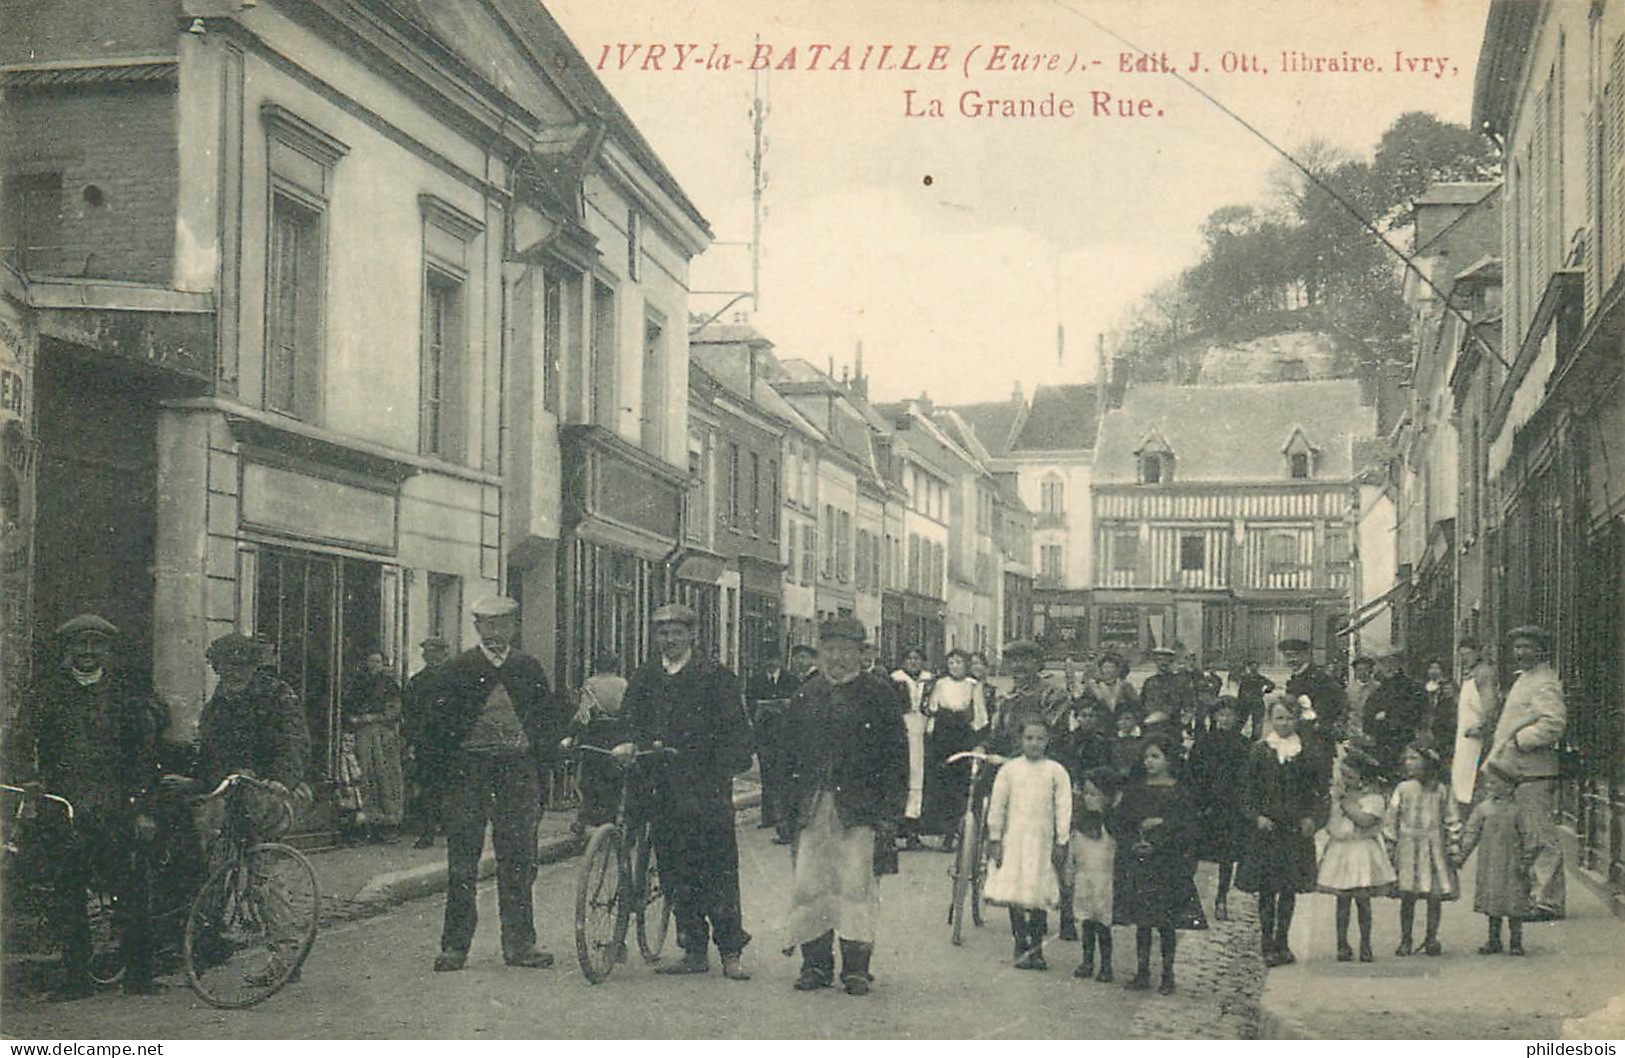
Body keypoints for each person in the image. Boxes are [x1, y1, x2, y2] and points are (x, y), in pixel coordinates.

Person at [4, 614, 164, 999]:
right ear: (66, 651)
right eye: (79, 645)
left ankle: (139, 975)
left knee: (130, 889)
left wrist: (142, 807)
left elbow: (144, 755)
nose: (88, 653)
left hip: (115, 807)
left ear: (108, 651)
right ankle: (76, 979)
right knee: (67, 892)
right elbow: (19, 743)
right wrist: (29, 778)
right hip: (64, 808)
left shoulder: (126, 695)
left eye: (96, 645)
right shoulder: (45, 694)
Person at [419, 596, 563, 973]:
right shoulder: (459, 668)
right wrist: (440, 782)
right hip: (468, 774)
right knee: (462, 863)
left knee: (518, 859)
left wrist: (541, 771)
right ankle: (455, 947)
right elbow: (436, 729)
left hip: (517, 773)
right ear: (477, 627)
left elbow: (546, 723)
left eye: (502, 625)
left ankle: (520, 944)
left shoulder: (528, 668)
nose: (495, 633)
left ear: (514, 626)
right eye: (487, 625)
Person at [616, 603, 756, 980]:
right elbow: (628, 720)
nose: (669, 639)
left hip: (705, 790)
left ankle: (730, 951)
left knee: (718, 870)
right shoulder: (645, 677)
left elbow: (738, 735)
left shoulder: (716, 677)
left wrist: (718, 764)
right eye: (662, 632)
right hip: (660, 789)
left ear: (692, 635)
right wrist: (628, 742)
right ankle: (693, 947)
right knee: (676, 871)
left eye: (677, 632)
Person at [781, 616, 908, 996]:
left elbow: (897, 758)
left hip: (860, 809)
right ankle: (815, 965)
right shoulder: (806, 695)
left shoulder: (879, 695)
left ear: (860, 654)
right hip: (813, 807)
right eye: (830, 650)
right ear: (820, 654)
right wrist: (786, 808)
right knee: (810, 885)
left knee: (856, 886)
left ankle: (856, 968)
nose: (837, 658)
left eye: (846, 650)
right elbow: (786, 759)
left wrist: (891, 813)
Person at [1236, 694, 1327, 967]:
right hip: (1267, 830)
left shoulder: (1308, 751)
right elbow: (1245, 792)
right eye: (1279, 718)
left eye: (1289, 718)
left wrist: (1313, 819)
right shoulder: (1260, 750)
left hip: (1294, 829)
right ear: (1270, 720)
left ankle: (1282, 941)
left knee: (1288, 888)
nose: (1284, 723)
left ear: (1297, 719)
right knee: (1267, 889)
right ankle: (1266, 944)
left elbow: (1321, 792)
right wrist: (1256, 816)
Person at [1112, 735, 1207, 995]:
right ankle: (1142, 971)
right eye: (1146, 757)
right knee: (1143, 922)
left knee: (1165, 922)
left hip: (1167, 865)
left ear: (1169, 759)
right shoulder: (1136, 790)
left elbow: (1186, 829)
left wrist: (1160, 837)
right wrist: (1133, 842)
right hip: (1140, 863)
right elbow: (1121, 822)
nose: (1149, 762)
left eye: (1156, 757)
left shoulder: (1179, 792)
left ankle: (1168, 973)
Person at [1485, 625, 1567, 921]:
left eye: (1527, 647)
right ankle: (1534, 895)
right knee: (1525, 836)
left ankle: (1548, 901)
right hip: (1517, 772)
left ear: (1541, 650)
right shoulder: (1525, 680)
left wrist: (1520, 741)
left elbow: (1553, 723)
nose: (1520, 653)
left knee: (1540, 835)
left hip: (1534, 771)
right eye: (1517, 647)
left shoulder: (1544, 682)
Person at [983, 718, 1072, 970]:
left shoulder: (1056, 771)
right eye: (1029, 738)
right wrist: (995, 838)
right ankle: (1020, 943)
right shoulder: (1009, 770)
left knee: (1038, 891)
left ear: (1048, 741)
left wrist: (1062, 839)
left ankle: (1037, 947)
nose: (1034, 744)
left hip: (1043, 839)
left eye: (1040, 739)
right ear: (1021, 740)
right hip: (1015, 838)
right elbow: (998, 805)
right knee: (1016, 890)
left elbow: (1063, 807)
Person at [1315, 746, 1395, 962]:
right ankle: (1342, 943)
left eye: (1350, 776)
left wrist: (1344, 803)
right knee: (1342, 900)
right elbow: (1330, 823)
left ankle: (1365, 943)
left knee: (1362, 899)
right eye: (1343, 775)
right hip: (1341, 849)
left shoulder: (1373, 798)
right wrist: (1333, 802)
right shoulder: (1337, 797)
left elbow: (1365, 820)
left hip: (1362, 851)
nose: (1345, 780)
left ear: (1363, 777)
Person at [1384, 742, 1460, 957]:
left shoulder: (1441, 790)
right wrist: (1390, 844)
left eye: (1414, 758)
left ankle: (1431, 938)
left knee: (1434, 895)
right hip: (1409, 847)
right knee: (1408, 895)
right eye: (1407, 758)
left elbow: (1451, 819)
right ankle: (1405, 939)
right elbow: (1392, 818)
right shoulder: (1403, 788)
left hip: (1434, 847)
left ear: (1427, 763)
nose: (1409, 763)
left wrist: (1453, 845)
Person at [1455, 761, 1531, 956]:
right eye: (1488, 784)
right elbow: (1471, 833)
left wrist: (1526, 861)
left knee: (1515, 903)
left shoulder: (1519, 810)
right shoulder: (1483, 809)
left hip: (1514, 864)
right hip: (1490, 864)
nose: (1489, 788)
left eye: (1494, 784)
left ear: (1509, 787)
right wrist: (1461, 856)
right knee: (1493, 902)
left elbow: (1530, 837)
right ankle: (1494, 940)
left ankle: (1516, 942)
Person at [1188, 697, 1251, 921]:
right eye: (1221, 715)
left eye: (1230, 715)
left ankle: (1221, 899)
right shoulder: (1203, 742)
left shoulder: (1244, 745)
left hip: (1230, 809)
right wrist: (1197, 803)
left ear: (1238, 719)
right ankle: (1190, 901)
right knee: (1193, 854)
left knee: (1227, 857)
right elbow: (1192, 773)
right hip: (1205, 806)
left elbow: (1248, 779)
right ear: (1214, 717)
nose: (1225, 719)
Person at [922, 649, 987, 850]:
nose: (955, 667)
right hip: (943, 733)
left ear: (966, 665)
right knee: (942, 782)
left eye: (959, 662)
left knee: (961, 782)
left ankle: (959, 831)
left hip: (962, 734)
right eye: (951, 663)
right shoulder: (941, 684)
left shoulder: (972, 685)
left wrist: (977, 737)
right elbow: (932, 709)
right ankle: (944, 831)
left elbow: (979, 713)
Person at [1067, 766, 1121, 982]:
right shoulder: (1081, 821)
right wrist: (1069, 870)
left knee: (1103, 923)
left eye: (1095, 794)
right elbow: (1073, 848)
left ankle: (1106, 965)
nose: (1089, 799)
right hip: (1084, 877)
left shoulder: (1112, 824)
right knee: (1086, 921)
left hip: (1105, 880)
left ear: (1108, 797)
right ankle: (1087, 961)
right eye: (1086, 794)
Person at [568, 652, 631, 836]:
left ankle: (582, 819)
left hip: (595, 735)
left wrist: (571, 731)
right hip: (617, 734)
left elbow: (583, 713)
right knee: (615, 778)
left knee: (588, 779)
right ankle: (614, 820)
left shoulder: (591, 683)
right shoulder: (623, 684)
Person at [345, 650, 405, 842]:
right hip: (362, 735)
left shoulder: (389, 685)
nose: (374, 664)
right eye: (371, 660)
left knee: (385, 778)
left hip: (383, 736)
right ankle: (366, 822)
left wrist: (373, 717)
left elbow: (394, 711)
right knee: (364, 775)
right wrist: (354, 719)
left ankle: (389, 822)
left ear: (383, 663)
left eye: (378, 661)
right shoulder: (358, 684)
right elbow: (348, 708)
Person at [746, 650, 799, 837]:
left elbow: (797, 704)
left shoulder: (791, 679)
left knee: (784, 775)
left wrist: (784, 706)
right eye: (767, 658)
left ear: (780, 660)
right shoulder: (755, 681)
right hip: (765, 735)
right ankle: (767, 816)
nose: (770, 662)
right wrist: (762, 710)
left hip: (785, 735)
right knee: (767, 774)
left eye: (774, 658)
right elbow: (750, 704)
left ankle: (783, 818)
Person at [404, 636, 451, 848]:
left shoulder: (455, 679)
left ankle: (449, 827)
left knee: (451, 786)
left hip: (450, 741)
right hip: (427, 741)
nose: (428, 656)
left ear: (443, 654)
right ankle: (428, 831)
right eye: (426, 653)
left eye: (433, 653)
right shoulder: (417, 681)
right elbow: (409, 712)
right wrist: (411, 739)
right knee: (428, 787)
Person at [890, 648, 934, 851]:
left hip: (923, 728)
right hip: (902, 730)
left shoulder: (930, 681)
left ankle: (913, 830)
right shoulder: (895, 680)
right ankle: (894, 829)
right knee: (900, 776)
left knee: (919, 778)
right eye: (909, 658)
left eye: (917, 658)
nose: (913, 662)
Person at [1450, 636, 1500, 809]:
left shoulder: (1484, 673)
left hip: (1477, 737)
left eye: (1467, 654)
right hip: (1465, 735)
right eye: (1461, 655)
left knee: (1474, 780)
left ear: (1477, 653)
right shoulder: (1469, 675)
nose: (1464, 658)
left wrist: (1483, 728)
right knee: (1463, 780)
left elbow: (1490, 704)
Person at [1365, 651, 1427, 777]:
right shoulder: (1379, 689)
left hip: (1404, 738)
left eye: (1391, 663)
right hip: (1382, 740)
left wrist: (1387, 715)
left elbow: (1415, 712)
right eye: (1383, 664)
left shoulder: (1412, 687)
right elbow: (1369, 714)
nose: (1388, 667)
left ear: (1399, 664)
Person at [1281, 638, 1347, 747]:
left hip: (1317, 740)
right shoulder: (1295, 679)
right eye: (1287, 656)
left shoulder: (1319, 678)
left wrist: (1322, 725)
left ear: (1306, 655)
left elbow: (1338, 701)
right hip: (1300, 737)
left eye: (1294, 655)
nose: (1291, 660)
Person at [1138, 648, 1193, 734]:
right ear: (1155, 662)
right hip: (1150, 726)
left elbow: (1189, 706)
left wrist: (1182, 723)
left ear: (1171, 662)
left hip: (1171, 726)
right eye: (1159, 660)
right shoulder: (1150, 681)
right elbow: (1142, 702)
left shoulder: (1180, 682)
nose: (1163, 663)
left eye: (1167, 660)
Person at [1421, 658, 1457, 759]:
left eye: (1437, 668)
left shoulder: (1448, 685)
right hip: (1427, 724)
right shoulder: (1423, 687)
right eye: (1431, 668)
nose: (1434, 671)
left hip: (1444, 725)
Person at [1088, 653, 1139, 720]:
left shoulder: (1124, 685)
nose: (1108, 670)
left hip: (1120, 719)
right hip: (1099, 720)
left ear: (1117, 669)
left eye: (1111, 667)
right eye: (1105, 667)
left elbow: (1135, 702)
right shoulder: (1094, 685)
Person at [1234, 659, 1275, 738]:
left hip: (1256, 702)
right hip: (1246, 703)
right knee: (1240, 722)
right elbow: (1240, 691)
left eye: (1256, 666)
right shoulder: (1245, 678)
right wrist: (1239, 703)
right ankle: (1236, 738)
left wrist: (1266, 690)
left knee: (1257, 724)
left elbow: (1271, 685)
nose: (1254, 668)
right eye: (1252, 666)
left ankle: (1254, 740)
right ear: (1249, 667)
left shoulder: (1260, 678)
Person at [1344, 655, 1379, 742]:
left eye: (1365, 669)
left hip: (1372, 731)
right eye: (1359, 670)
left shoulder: (1377, 688)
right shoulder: (1350, 689)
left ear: (1370, 671)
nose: (1362, 672)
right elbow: (1346, 709)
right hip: (1353, 731)